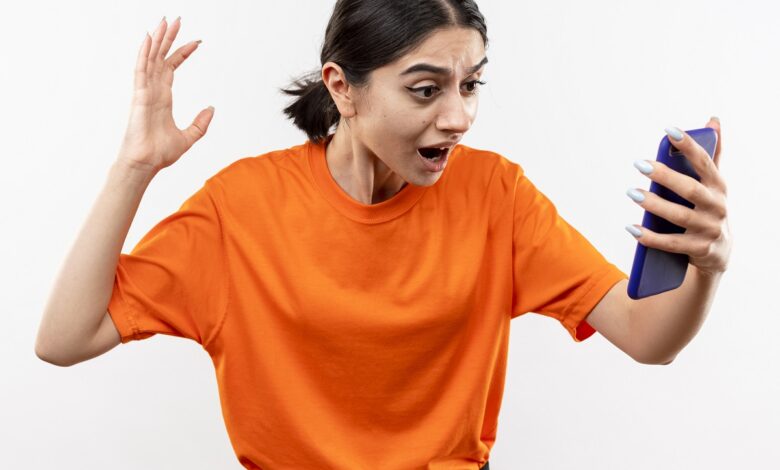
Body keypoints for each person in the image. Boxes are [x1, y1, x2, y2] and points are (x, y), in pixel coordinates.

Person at [35, 1, 732, 468]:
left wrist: (704, 264)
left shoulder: (497, 196)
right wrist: (135, 168)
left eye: (471, 85)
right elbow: (65, 340)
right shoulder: (241, 209)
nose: (459, 118)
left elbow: (647, 338)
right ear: (342, 87)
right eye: (427, 90)